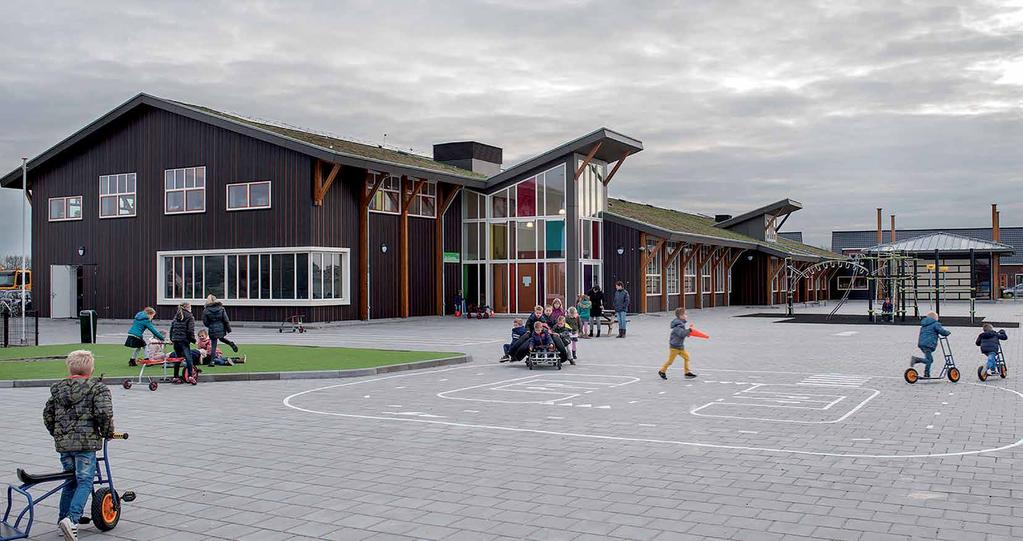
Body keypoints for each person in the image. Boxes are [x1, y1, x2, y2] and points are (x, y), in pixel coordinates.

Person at [43, 350, 114, 541]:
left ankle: (62, 521)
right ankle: (72, 520)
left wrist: (59, 435)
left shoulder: (58, 390)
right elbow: (104, 414)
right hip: (85, 443)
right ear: (90, 370)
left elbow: (48, 416)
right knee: (85, 480)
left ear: (70, 368)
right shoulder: (97, 389)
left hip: (65, 445)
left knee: (70, 480)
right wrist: (107, 433)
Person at [658, 307, 696, 379]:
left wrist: (688, 333)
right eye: (685, 314)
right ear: (681, 316)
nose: (686, 316)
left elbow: (683, 334)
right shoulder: (678, 326)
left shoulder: (681, 324)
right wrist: (689, 331)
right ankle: (662, 371)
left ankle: (687, 372)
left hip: (680, 346)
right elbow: (681, 334)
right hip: (674, 347)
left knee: (687, 358)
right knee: (670, 361)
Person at [910, 311, 950, 378]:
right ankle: (916, 360)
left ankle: (927, 374)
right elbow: (941, 331)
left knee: (928, 359)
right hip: (928, 344)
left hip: (922, 343)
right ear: (935, 318)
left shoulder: (924, 324)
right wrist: (947, 333)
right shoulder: (936, 324)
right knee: (930, 360)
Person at [169, 302, 197, 383]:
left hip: (176, 340)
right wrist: (193, 339)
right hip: (184, 340)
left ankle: (175, 376)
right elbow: (190, 330)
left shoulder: (176, 316)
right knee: (188, 358)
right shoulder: (190, 316)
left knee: (177, 358)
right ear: (188, 308)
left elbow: (172, 328)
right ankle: (191, 375)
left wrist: (172, 338)